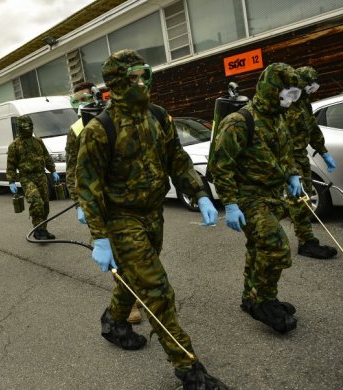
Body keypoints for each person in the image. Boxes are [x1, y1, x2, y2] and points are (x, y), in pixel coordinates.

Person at [76, 49, 225, 389]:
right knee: (157, 289)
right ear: (116, 83)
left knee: (134, 277)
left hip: (153, 214)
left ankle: (115, 322)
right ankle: (189, 369)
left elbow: (177, 158)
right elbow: (87, 186)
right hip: (121, 219)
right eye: (133, 78)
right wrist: (99, 237)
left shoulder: (158, 116)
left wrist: (199, 193)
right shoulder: (101, 129)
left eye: (144, 75)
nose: (141, 83)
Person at [210, 63, 302, 334]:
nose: (291, 99)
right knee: (276, 248)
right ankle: (264, 301)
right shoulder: (239, 121)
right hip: (248, 198)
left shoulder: (278, 117)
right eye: (288, 93)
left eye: (296, 94)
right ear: (272, 89)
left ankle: (251, 298)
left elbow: (285, 153)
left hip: (272, 196)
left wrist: (292, 175)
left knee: (258, 248)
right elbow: (220, 165)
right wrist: (229, 203)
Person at [66, 81, 143, 325]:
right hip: (97, 199)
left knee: (139, 249)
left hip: (126, 196)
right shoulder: (77, 129)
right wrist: (78, 202)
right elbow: (71, 170)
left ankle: (135, 292)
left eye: (87, 97)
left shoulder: (116, 117)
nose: (84, 102)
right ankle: (128, 303)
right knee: (118, 253)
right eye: (78, 98)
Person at [285, 66, 338, 259]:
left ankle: (297, 235)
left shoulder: (304, 103)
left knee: (300, 198)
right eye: (310, 86)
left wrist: (323, 151)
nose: (312, 90)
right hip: (287, 158)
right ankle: (306, 243)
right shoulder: (286, 103)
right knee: (300, 199)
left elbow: (313, 128)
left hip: (300, 156)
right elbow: (278, 138)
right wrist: (289, 169)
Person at [6, 115, 60, 240]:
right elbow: (11, 165)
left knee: (45, 205)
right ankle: (37, 231)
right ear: (19, 128)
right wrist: (11, 181)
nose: (27, 128)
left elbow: (46, 157)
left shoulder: (38, 142)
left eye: (29, 126)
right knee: (36, 202)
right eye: (25, 126)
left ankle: (44, 230)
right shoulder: (14, 146)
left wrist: (53, 171)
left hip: (41, 175)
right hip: (27, 178)